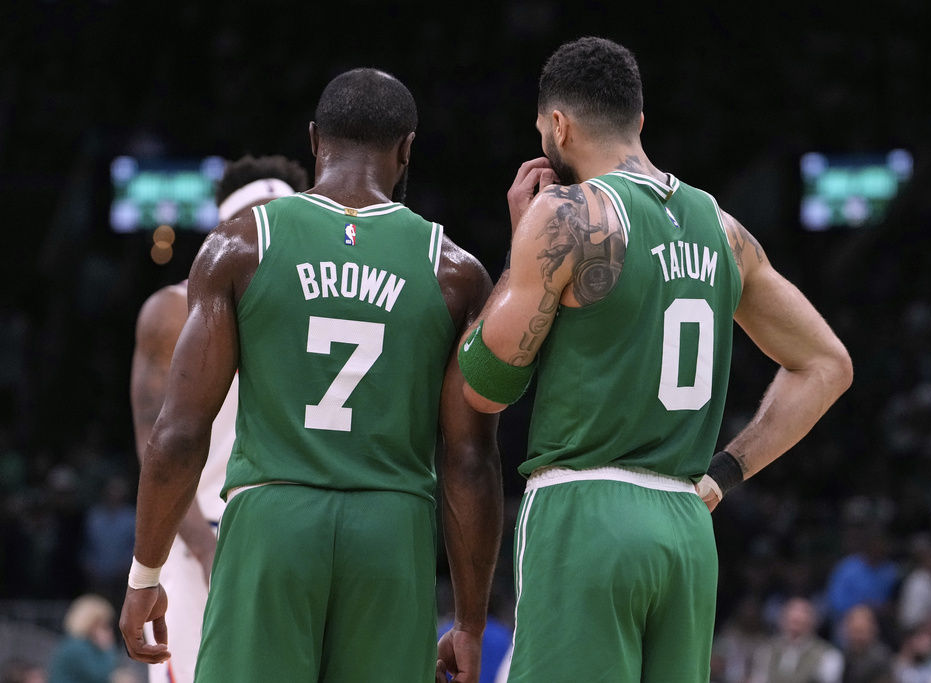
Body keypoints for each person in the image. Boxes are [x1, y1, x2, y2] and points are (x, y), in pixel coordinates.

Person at [457, 36, 853, 681]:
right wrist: (725, 472)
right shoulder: (722, 228)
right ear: (639, 121)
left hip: (585, 511)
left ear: (558, 125)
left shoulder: (566, 214)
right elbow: (827, 365)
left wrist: (516, 249)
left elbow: (486, 385)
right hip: (686, 527)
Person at [120, 68, 502, 683]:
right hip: (391, 525)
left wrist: (146, 572)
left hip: (273, 516)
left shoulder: (239, 246)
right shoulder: (454, 271)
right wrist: (470, 623)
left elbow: (179, 431)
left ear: (315, 139)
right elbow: (471, 461)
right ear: (407, 149)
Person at [129, 154, 309, 683]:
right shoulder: (172, 310)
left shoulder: (325, 304)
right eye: (255, 220)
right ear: (224, 232)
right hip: (198, 535)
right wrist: (207, 550)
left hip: (295, 532)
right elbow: (155, 448)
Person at [749, 597, 844, 683]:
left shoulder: (827, 655)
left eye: (800, 622)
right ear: (781, 620)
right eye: (792, 621)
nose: (794, 628)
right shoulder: (767, 650)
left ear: (813, 622)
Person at [49, 594, 119, 683]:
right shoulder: (77, 646)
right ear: (91, 623)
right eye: (104, 625)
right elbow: (100, 675)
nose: (108, 630)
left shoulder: (76, 644)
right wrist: (108, 647)